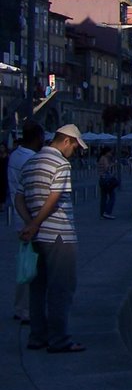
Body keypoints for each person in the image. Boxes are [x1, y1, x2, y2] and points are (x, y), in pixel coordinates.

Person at [18, 124, 88, 353]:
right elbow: (55, 196)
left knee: (38, 289)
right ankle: (60, 340)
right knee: (61, 288)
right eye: (75, 147)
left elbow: (19, 197)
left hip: (37, 236)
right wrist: (36, 223)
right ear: (66, 141)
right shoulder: (61, 164)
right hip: (59, 235)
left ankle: (37, 337)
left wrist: (30, 224)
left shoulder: (30, 163)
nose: (74, 152)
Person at [8, 121, 44, 323]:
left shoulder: (15, 155)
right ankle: (26, 310)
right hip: (31, 220)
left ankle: (19, 307)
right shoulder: (32, 160)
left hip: (19, 219)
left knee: (25, 265)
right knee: (33, 268)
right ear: (37, 138)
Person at [97, 148, 118, 220]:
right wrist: (113, 164)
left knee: (104, 197)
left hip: (102, 179)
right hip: (107, 180)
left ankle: (102, 214)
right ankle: (107, 212)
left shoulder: (100, 158)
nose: (110, 154)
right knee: (112, 196)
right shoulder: (104, 158)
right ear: (106, 152)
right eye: (110, 152)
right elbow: (107, 168)